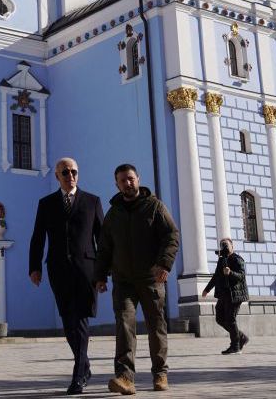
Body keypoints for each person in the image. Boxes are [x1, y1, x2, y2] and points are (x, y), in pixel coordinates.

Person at [95, 164, 179, 395]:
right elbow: (104, 248)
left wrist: (164, 264)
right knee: (124, 325)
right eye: (122, 180)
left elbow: (171, 235)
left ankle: (160, 373)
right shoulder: (113, 214)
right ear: (117, 184)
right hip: (123, 281)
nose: (127, 183)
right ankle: (125, 377)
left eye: (130, 179)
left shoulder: (155, 207)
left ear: (138, 179)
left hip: (151, 278)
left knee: (156, 326)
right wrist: (100, 276)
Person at [29, 157, 104, 395]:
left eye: (74, 172)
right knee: (68, 321)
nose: (70, 176)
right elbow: (38, 237)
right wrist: (34, 267)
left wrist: (103, 272)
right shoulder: (46, 203)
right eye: (65, 172)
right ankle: (85, 365)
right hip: (58, 269)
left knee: (80, 318)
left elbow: (101, 239)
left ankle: (78, 376)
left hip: (86, 270)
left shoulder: (92, 201)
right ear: (57, 176)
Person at [202, 238, 249, 354]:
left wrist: (230, 273)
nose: (225, 247)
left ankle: (235, 346)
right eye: (222, 245)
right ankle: (241, 337)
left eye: (226, 245)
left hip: (235, 294)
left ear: (232, 246)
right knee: (220, 319)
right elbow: (216, 276)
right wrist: (207, 289)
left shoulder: (237, 259)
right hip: (223, 294)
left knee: (230, 319)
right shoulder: (222, 260)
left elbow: (241, 276)